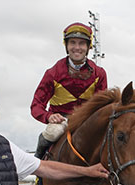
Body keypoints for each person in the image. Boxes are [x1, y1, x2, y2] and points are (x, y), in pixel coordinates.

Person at [30, 22, 108, 158]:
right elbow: (36, 106)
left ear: (88, 47)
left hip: (87, 121)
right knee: (52, 133)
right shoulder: (53, 73)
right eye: (72, 43)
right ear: (66, 46)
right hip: (61, 121)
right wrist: (49, 116)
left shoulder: (99, 74)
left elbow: (102, 106)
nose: (77, 48)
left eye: (81, 43)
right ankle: (38, 167)